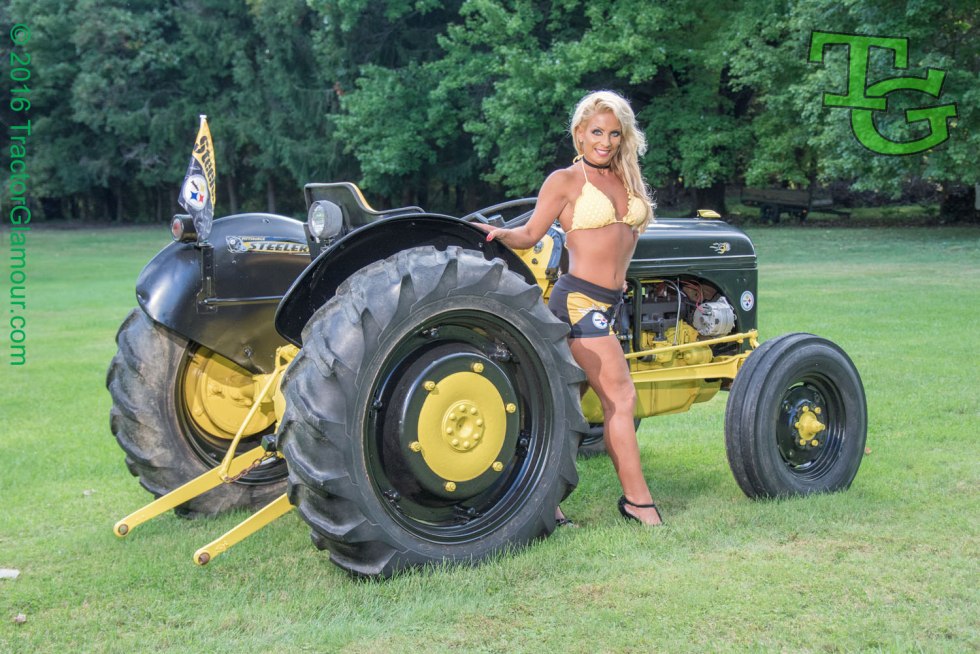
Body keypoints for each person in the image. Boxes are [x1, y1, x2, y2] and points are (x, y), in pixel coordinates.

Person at [475, 90, 663, 526]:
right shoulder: (564, 181)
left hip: (610, 305)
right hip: (578, 302)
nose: (606, 142)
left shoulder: (627, 179)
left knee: (562, 410)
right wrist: (500, 235)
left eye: (614, 134)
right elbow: (530, 234)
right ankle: (639, 504)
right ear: (579, 133)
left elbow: (623, 238)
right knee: (621, 397)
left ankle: (540, 502)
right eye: (596, 132)